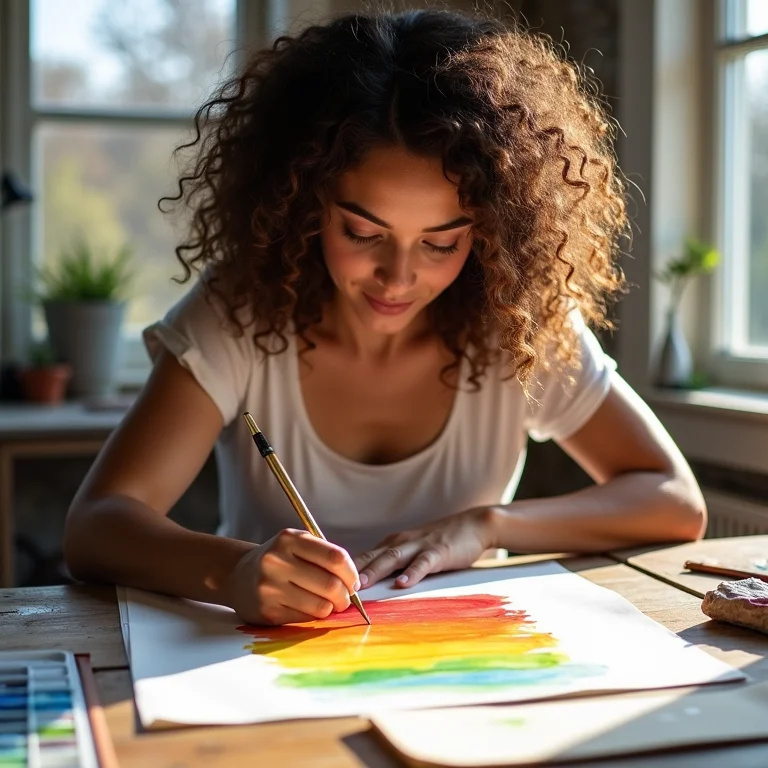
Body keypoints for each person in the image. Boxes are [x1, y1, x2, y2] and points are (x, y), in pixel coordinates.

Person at [63, 8, 706, 627]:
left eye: (440, 242)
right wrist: (231, 572)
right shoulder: (240, 313)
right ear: (306, 203)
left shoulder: (518, 324)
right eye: (363, 232)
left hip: (467, 666)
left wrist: (484, 525)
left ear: (486, 234)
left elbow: (673, 501)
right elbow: (98, 524)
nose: (398, 278)